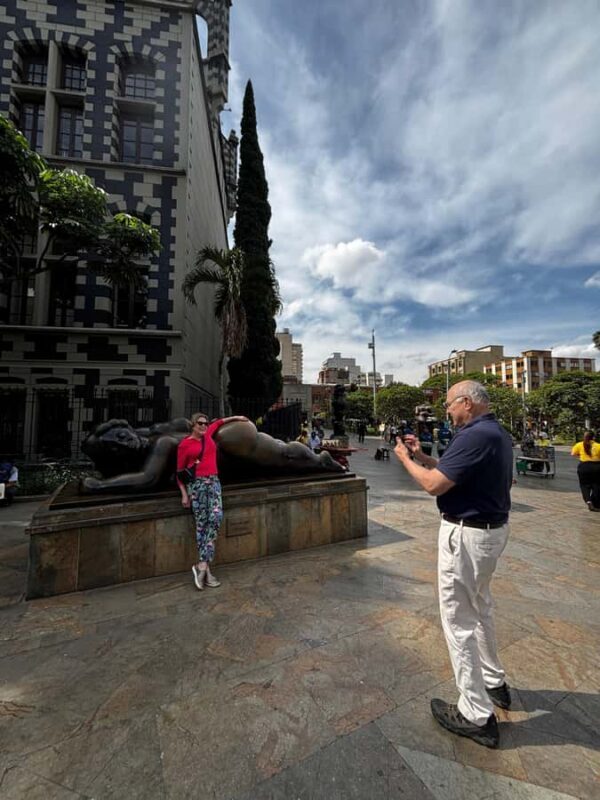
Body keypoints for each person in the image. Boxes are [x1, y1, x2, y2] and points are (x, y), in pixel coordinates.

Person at [394, 381, 513, 749]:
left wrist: (405, 461)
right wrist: (422, 456)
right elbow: (451, 472)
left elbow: (434, 485)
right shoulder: (495, 433)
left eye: (449, 404)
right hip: (489, 532)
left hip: (466, 535)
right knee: (481, 607)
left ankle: (476, 713)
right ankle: (494, 682)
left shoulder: (474, 435)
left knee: (458, 619)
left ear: (466, 402)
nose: (446, 410)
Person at [177, 412, 248, 591]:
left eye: (205, 423)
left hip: (214, 482)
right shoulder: (185, 445)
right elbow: (179, 473)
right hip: (197, 486)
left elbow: (220, 421)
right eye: (200, 423)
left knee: (215, 518)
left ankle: (201, 564)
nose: (204, 426)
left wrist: (237, 418)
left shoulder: (208, 434)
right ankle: (205, 569)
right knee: (202, 525)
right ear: (192, 425)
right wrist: (184, 494)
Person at [571, 431, 600, 511]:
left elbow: (573, 454)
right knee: (597, 485)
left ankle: (588, 501)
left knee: (584, 485)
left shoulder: (579, 445)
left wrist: (581, 456)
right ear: (593, 437)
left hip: (584, 467)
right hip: (597, 467)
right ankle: (596, 503)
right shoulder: (598, 446)